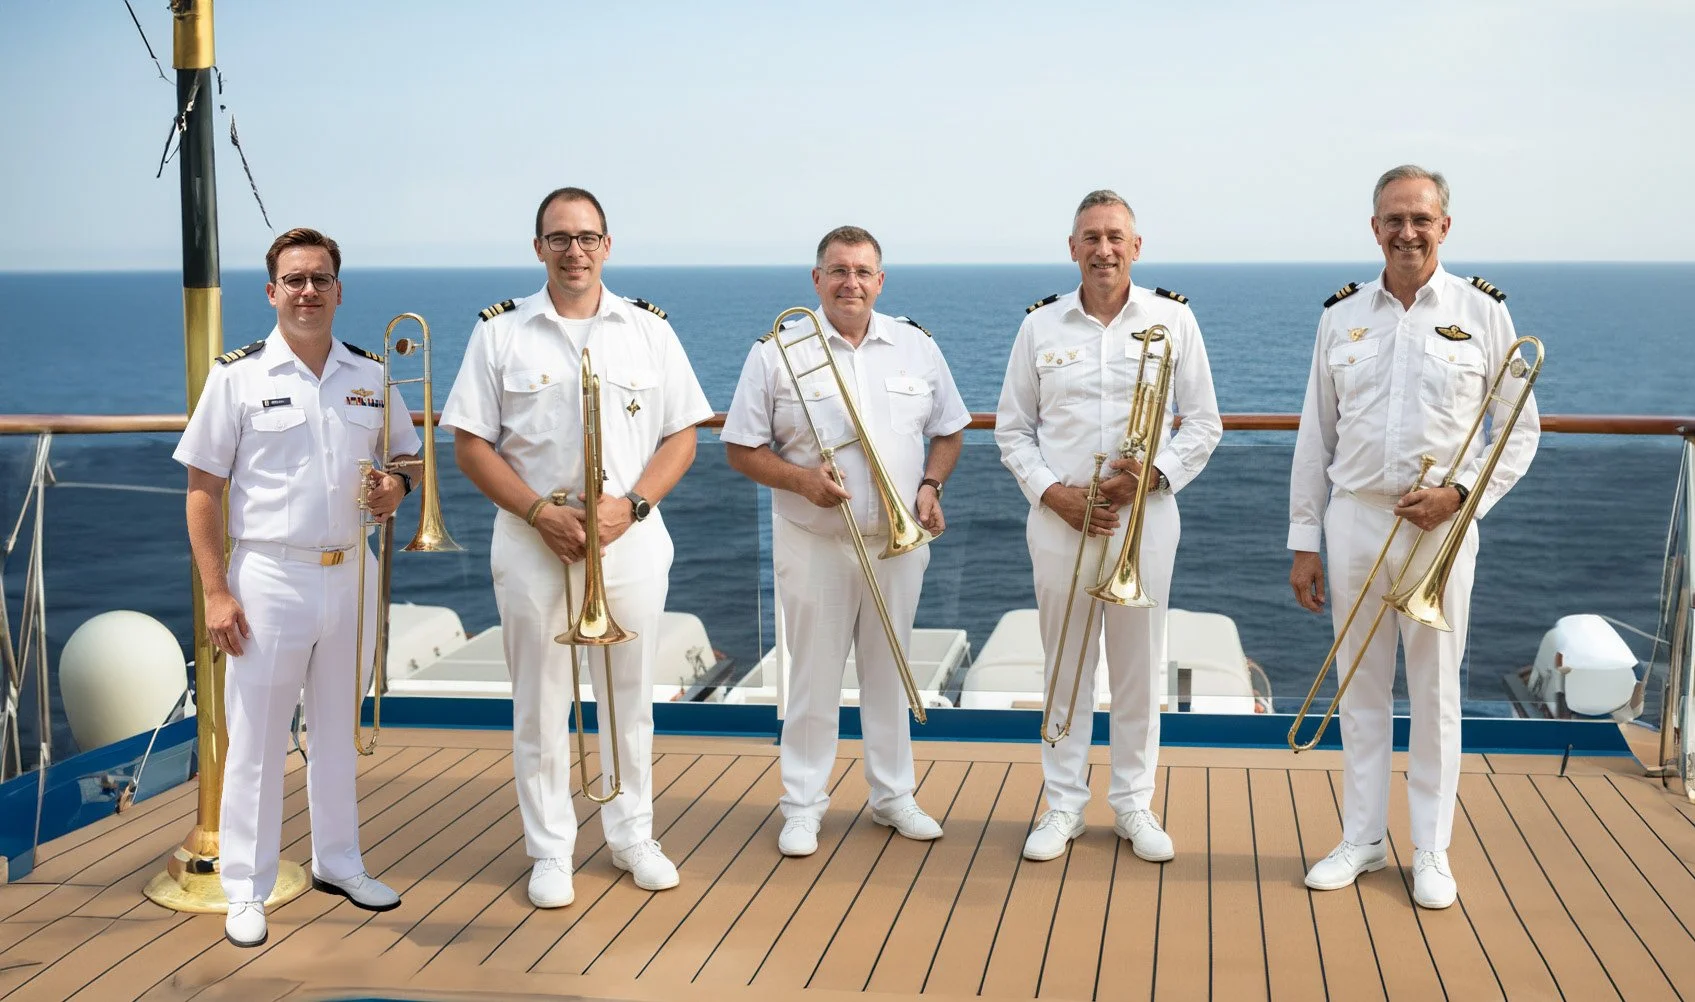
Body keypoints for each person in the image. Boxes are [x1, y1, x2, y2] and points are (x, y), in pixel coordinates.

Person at [439, 187, 712, 908]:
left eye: (587, 237)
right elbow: (469, 445)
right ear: (538, 249)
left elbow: (682, 434)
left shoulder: (648, 330)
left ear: (607, 245)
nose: (574, 251)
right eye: (559, 238)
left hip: (629, 536)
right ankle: (550, 851)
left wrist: (635, 506)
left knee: (630, 700)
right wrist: (535, 511)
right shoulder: (500, 333)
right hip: (535, 541)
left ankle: (632, 836)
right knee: (540, 703)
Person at [1290, 164, 1539, 909]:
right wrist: (1305, 538)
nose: (1406, 232)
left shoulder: (1483, 312)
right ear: (1374, 228)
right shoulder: (1340, 317)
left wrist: (1460, 497)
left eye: (1420, 219)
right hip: (1357, 516)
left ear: (1443, 227)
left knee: (1434, 693)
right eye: (1393, 219)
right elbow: (1315, 435)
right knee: (1358, 690)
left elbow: (1517, 432)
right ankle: (1361, 839)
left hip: (1442, 527)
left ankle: (1430, 849)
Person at [175, 227, 414, 948]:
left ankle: (339, 861)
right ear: (272, 291)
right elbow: (202, 490)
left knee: (338, 731)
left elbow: (406, 458)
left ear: (338, 291)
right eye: (294, 279)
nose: (307, 291)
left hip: (351, 571)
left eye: (320, 279)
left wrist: (396, 488)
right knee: (256, 740)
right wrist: (216, 592)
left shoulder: (371, 377)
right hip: (270, 576)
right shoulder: (237, 377)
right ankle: (244, 887)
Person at [722, 226, 970, 857]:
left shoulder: (916, 346)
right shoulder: (776, 352)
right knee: (813, 675)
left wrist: (931, 486)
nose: (850, 282)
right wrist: (801, 480)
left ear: (880, 280)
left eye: (862, 271)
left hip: (899, 538)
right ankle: (802, 804)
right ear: (816, 279)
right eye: (837, 271)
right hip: (815, 540)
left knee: (890, 669)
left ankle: (892, 796)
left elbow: (948, 431)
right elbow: (741, 447)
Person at [995, 190, 1221, 864]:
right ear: (1072, 248)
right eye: (1090, 237)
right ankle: (1061, 805)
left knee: (1136, 669)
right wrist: (1051, 493)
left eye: (1114, 236)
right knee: (1064, 665)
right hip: (1060, 521)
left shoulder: (1174, 320)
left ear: (1135, 246)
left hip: (1144, 522)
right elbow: (1012, 430)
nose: (1103, 249)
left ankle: (1131, 804)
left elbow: (1203, 424)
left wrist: (1149, 477)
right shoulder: (1039, 327)